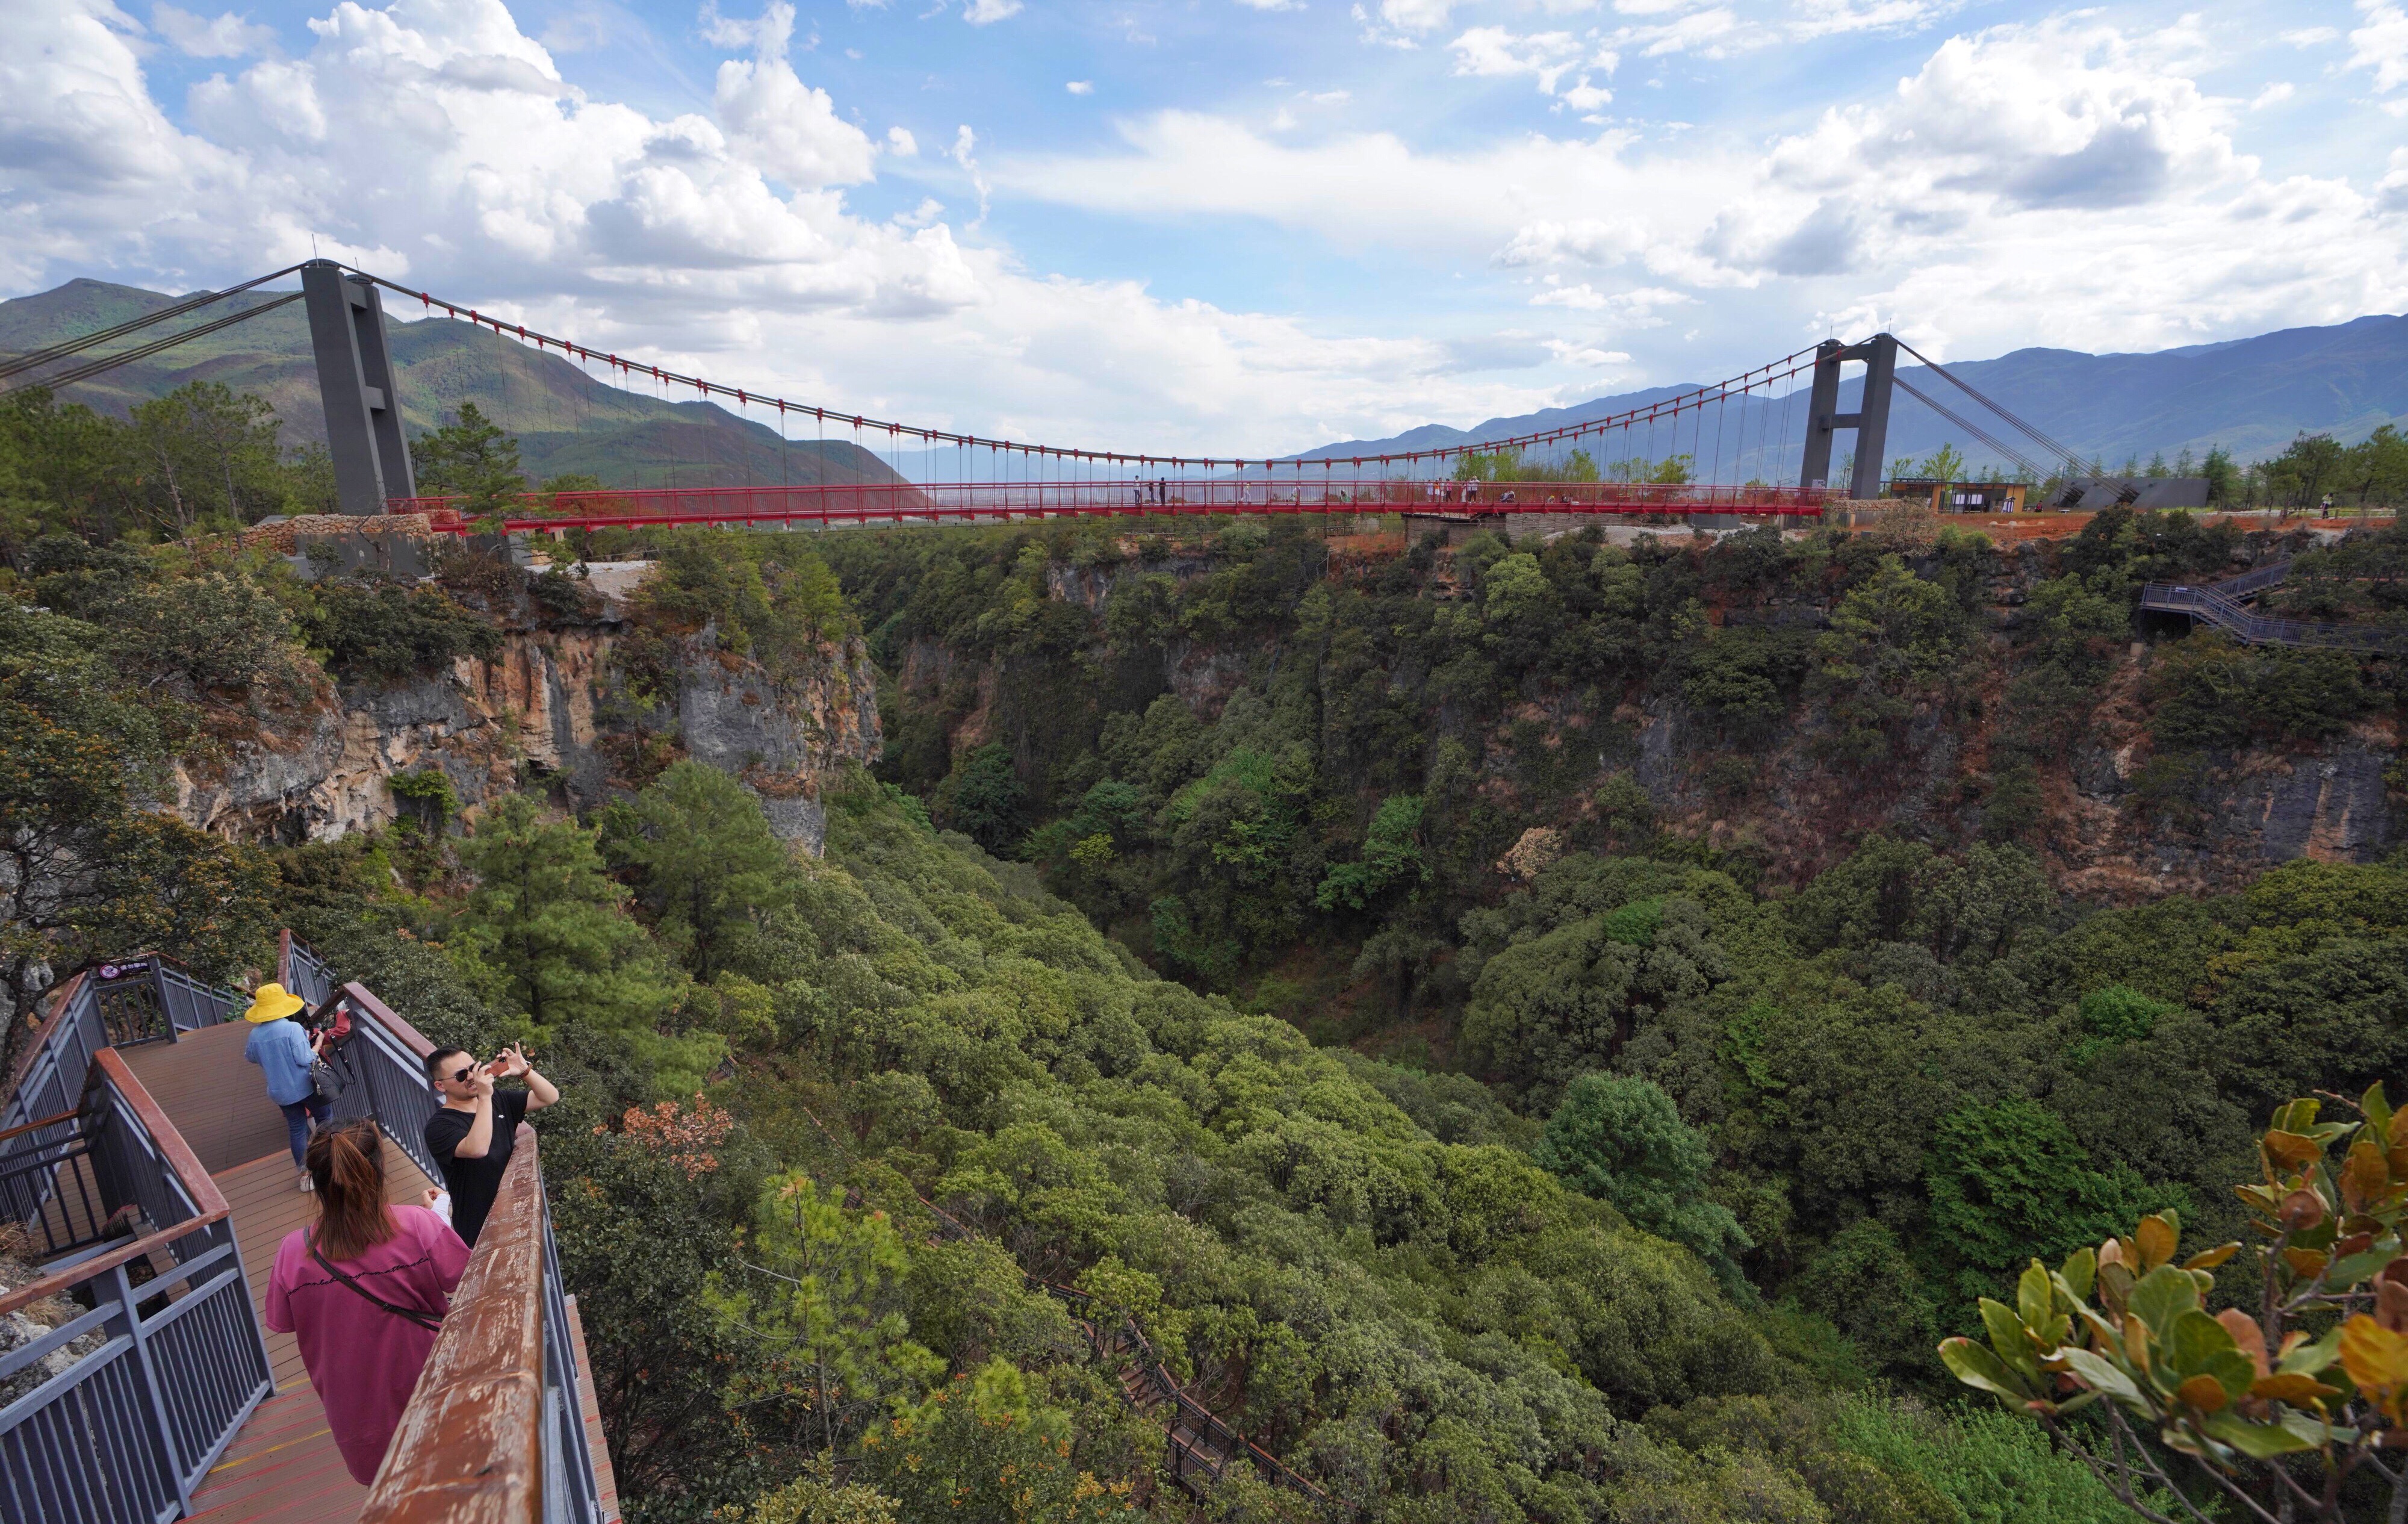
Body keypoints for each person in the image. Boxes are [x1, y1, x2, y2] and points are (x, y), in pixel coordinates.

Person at [265, 1120, 467, 1486]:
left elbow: (283, 1320)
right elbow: (464, 1277)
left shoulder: (292, 1251)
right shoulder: (416, 1225)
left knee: (396, 1499)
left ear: (318, 1180)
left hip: (357, 1412)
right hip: (433, 1387)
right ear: (377, 1168)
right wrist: (438, 1219)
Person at [422, 1043, 558, 1248]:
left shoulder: (498, 1100)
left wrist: (525, 1071)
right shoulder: (439, 1127)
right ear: (441, 1086)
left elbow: (549, 1097)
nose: (471, 1077)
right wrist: (484, 1096)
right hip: (479, 1228)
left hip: (515, 1212)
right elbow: (478, 1149)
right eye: (461, 1075)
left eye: (473, 1068)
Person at [243, 983, 328, 1191]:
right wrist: (317, 1045)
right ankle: (331, 1161)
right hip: (306, 1085)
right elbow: (304, 1058)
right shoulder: (292, 1028)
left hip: (280, 1091)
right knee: (325, 1119)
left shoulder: (255, 1034)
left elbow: (250, 1057)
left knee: (297, 1129)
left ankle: (306, 1175)